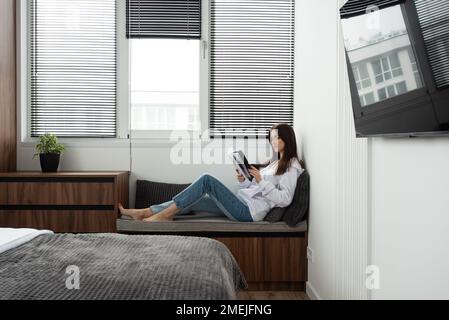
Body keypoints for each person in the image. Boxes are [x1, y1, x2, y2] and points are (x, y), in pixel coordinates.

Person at [119, 123, 305, 222]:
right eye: (271, 138)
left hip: (248, 212)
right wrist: (245, 180)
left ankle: (163, 215)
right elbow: (258, 188)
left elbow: (285, 199)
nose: (272, 141)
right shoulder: (274, 164)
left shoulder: (292, 167)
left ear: (287, 139)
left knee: (206, 179)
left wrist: (261, 181)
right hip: (242, 200)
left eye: (276, 137)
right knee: (194, 199)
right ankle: (145, 212)